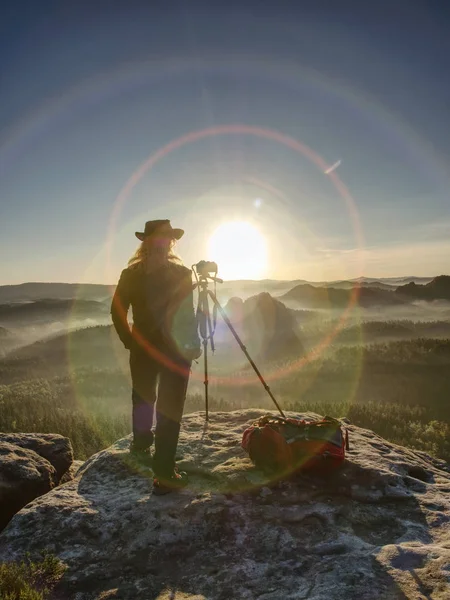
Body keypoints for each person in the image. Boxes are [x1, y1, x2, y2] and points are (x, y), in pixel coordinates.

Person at [111, 219, 201, 495]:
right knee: (143, 397)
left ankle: (163, 472)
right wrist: (130, 342)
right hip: (144, 349)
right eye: (157, 239)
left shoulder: (183, 274)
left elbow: (188, 314)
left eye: (167, 239)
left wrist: (192, 344)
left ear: (171, 243)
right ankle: (141, 444)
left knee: (169, 407)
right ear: (146, 242)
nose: (163, 243)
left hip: (174, 352)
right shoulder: (130, 275)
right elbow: (117, 311)